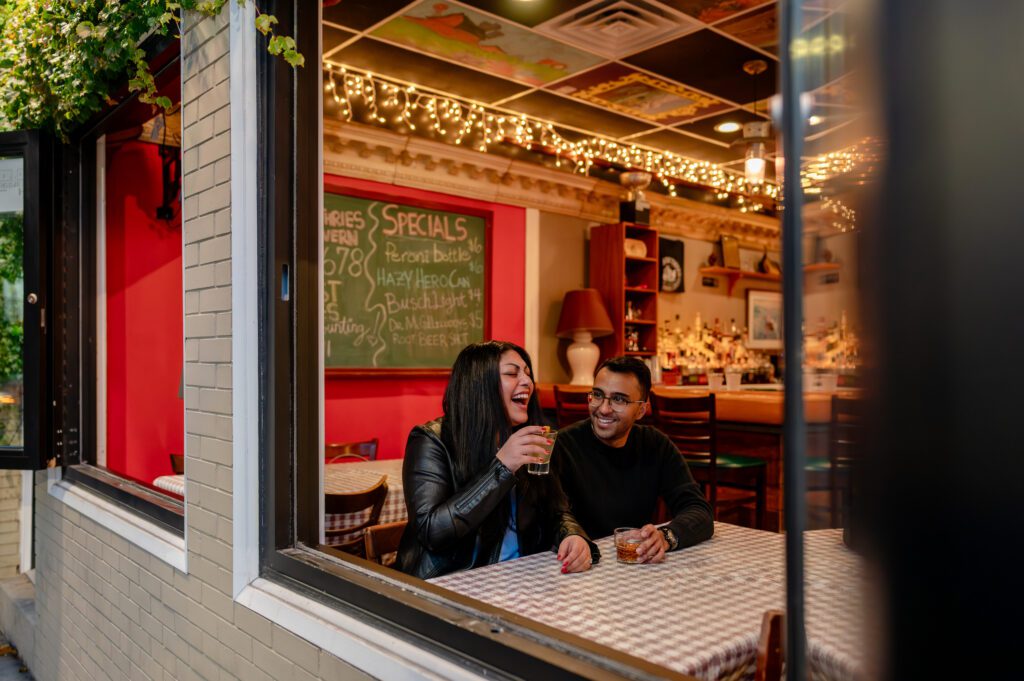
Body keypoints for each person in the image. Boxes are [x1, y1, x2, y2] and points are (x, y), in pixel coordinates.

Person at [396, 341, 598, 579]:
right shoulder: (432, 440)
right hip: (453, 583)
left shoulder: (527, 436)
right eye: (512, 373)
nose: (527, 382)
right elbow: (432, 532)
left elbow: (554, 510)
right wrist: (502, 467)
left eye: (528, 374)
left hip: (519, 579)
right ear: (479, 385)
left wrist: (572, 535)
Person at [553, 356, 713, 563]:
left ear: (641, 410)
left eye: (619, 399)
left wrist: (666, 537)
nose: (603, 408)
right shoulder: (563, 446)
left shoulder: (655, 445)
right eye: (598, 395)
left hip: (634, 565)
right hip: (577, 566)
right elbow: (551, 516)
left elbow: (699, 511)